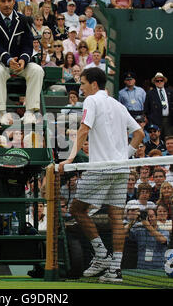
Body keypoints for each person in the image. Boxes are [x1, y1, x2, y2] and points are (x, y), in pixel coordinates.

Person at [58, 67, 144, 283]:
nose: (81, 89)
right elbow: (139, 134)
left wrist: (69, 159)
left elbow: (84, 129)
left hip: (102, 168)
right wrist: (124, 155)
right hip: (120, 168)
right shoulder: (118, 104)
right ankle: (115, 269)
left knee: (77, 209)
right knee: (116, 217)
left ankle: (101, 255)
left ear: (94, 84)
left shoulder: (91, 101)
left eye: (83, 84)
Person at [0, 0, 44, 125]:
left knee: (37, 70)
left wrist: (23, 59)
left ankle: (30, 112)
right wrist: (8, 59)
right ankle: (2, 112)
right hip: (0, 62)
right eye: (3, 1)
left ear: (14, 1)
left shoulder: (24, 20)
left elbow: (28, 44)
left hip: (20, 63)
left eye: (9, 1)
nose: (6, 4)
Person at [144, 72, 173, 139]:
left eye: (161, 80)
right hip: (155, 120)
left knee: (169, 138)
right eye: (157, 81)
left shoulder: (170, 92)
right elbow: (146, 109)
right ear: (154, 82)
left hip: (168, 120)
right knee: (157, 138)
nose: (159, 82)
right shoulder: (150, 93)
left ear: (164, 81)